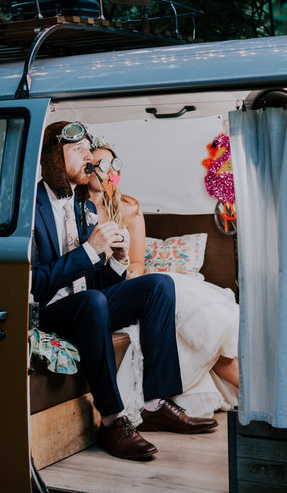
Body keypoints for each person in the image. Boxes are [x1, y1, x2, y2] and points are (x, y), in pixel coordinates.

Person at [31, 121, 217, 461]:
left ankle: (155, 403)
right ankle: (113, 421)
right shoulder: (31, 207)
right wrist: (88, 251)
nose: (88, 158)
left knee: (159, 284)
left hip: (88, 303)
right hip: (50, 309)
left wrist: (116, 261)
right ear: (54, 158)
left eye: (90, 150)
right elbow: (35, 283)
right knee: (90, 302)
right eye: (79, 151)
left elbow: (98, 285)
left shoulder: (84, 207)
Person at [87, 137, 240, 421]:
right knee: (187, 316)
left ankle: (252, 393)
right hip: (101, 289)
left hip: (129, 282)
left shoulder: (129, 208)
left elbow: (137, 262)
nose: (107, 171)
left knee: (199, 318)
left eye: (112, 165)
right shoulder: (74, 210)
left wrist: (130, 271)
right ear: (88, 169)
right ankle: (252, 395)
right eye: (100, 164)